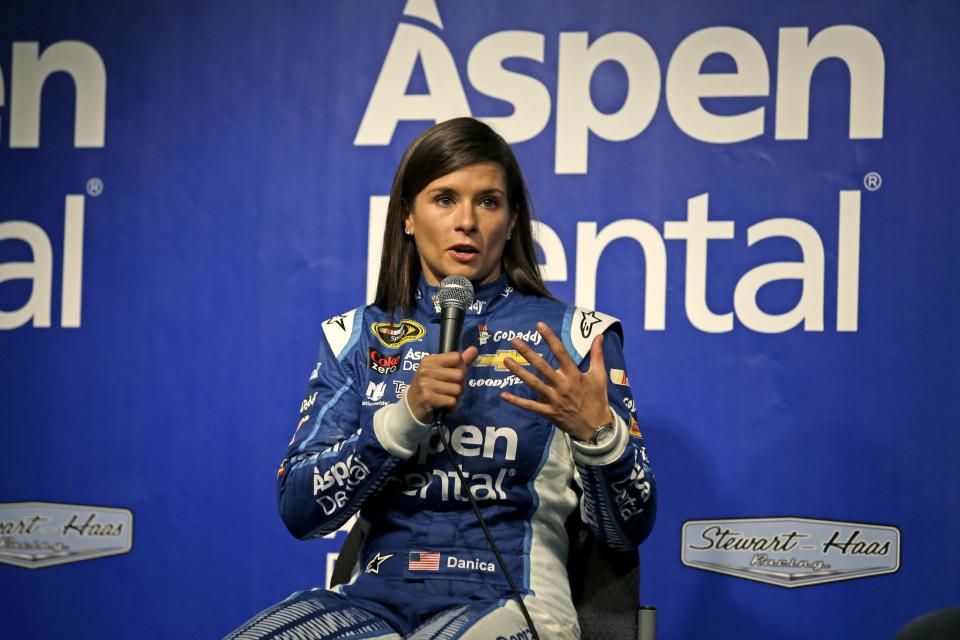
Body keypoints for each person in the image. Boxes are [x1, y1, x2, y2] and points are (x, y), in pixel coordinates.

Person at [226, 117, 656, 639]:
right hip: (376, 604)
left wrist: (598, 437)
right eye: (445, 198)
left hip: (514, 602)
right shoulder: (356, 336)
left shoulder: (576, 336)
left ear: (513, 219)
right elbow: (299, 511)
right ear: (407, 216)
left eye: (489, 201)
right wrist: (401, 420)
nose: (467, 221)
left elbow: (626, 529)